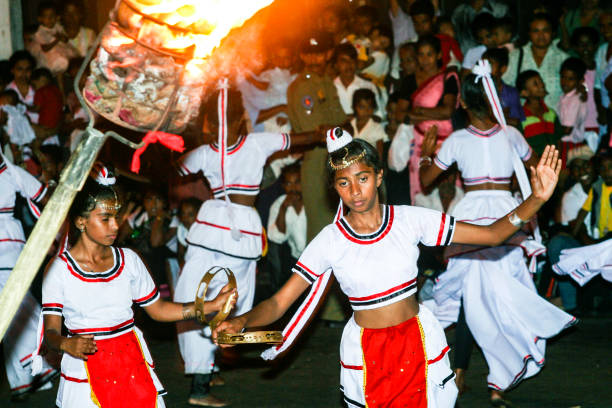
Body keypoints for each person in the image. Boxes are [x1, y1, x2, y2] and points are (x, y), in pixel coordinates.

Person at [213, 125, 565, 408]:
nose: (355, 190)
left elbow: (491, 234)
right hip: (367, 354)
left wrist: (536, 199)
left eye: (362, 178)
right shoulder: (330, 240)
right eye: (344, 182)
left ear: (379, 176)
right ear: (335, 188)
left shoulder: (410, 220)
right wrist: (242, 321)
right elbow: (278, 303)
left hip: (419, 344)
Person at [419, 61, 576, 406]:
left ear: (462, 102)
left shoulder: (457, 140)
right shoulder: (512, 135)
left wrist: (426, 156)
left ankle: (460, 372)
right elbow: (539, 172)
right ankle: (496, 381)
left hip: (473, 215)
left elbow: (427, 181)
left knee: (470, 296)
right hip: (509, 215)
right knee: (501, 298)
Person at [39, 164, 237, 408]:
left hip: (130, 360)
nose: (115, 226)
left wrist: (210, 306)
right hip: (86, 365)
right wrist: (66, 343)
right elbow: (50, 334)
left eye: (117, 217)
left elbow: (159, 309)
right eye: (105, 219)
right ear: (80, 221)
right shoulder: (59, 269)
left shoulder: (128, 260)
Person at [174, 88, 325, 406]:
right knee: (207, 300)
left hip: (227, 233)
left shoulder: (233, 147)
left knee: (217, 301)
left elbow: (295, 140)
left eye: (221, 123)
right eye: (216, 124)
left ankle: (208, 369)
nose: (220, 130)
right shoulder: (229, 147)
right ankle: (199, 387)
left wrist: (319, 134)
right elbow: (300, 138)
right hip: (224, 233)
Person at [0, 153, 55, 401]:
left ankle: (31, 371)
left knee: (13, 309)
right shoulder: (11, 172)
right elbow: (44, 195)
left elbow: (45, 196)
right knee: (18, 308)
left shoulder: (10, 171)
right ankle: (36, 369)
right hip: (11, 246)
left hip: (7, 249)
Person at [396, 35, 459, 201]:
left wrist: (419, 111)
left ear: (439, 55)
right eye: (421, 55)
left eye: (429, 54)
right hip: (419, 146)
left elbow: (447, 111)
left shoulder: (448, 78)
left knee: (449, 197)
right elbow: (400, 114)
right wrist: (424, 115)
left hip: (446, 144)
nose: (425, 60)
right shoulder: (410, 81)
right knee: (422, 196)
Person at [503, 13, 569, 113]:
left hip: (555, 121)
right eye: (536, 31)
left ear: (553, 33)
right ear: (529, 33)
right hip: (525, 121)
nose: (541, 35)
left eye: (545, 30)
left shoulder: (563, 59)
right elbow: (506, 88)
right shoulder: (515, 56)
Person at [267, 162, 307, 289]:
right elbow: (277, 237)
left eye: (297, 182)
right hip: (296, 261)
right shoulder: (279, 204)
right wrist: (283, 209)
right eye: (289, 184)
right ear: (283, 186)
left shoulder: (311, 200)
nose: (293, 188)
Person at [517, 70, 564, 156]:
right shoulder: (521, 117)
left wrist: (558, 161)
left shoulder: (551, 114)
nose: (542, 85)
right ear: (525, 93)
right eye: (535, 84)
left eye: (541, 81)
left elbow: (558, 141)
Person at [333, 43, 382, 119]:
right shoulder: (330, 87)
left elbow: (379, 116)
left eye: (352, 60)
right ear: (336, 65)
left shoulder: (368, 86)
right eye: (344, 61)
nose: (349, 65)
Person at [558, 57, 591, 165]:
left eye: (570, 79)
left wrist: (548, 132)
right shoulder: (564, 97)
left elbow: (567, 129)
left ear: (580, 81)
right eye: (563, 77)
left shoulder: (575, 100)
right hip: (565, 143)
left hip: (569, 145)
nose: (565, 82)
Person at [31, 1, 78, 76]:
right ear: (40, 19)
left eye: (52, 16)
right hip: (49, 56)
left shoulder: (57, 26)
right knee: (59, 64)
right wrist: (57, 40)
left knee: (72, 61)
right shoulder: (41, 32)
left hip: (62, 50)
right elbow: (45, 48)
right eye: (47, 17)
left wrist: (63, 38)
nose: (50, 19)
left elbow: (66, 40)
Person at [482, 47, 524, 128]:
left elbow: (515, 122)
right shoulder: (477, 90)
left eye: (490, 64)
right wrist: (502, 117)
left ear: (503, 69)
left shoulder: (511, 93)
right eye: (483, 64)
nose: (485, 68)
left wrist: (491, 118)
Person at [350, 88, 388, 158]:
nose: (367, 110)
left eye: (370, 107)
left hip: (369, 164)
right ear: (354, 107)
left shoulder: (377, 127)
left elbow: (380, 151)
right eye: (362, 107)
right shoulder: (350, 125)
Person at [5, 50, 38, 124]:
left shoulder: (38, 88)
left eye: (28, 69)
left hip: (45, 130)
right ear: (12, 70)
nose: (24, 74)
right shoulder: (7, 91)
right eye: (20, 69)